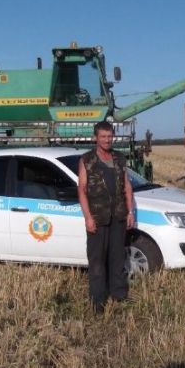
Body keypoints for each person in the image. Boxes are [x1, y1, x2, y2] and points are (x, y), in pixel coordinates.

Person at [78, 121, 135, 313]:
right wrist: (88, 217)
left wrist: (130, 211)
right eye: (103, 136)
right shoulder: (87, 160)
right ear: (96, 138)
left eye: (110, 136)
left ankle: (119, 296)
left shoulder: (119, 158)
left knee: (117, 258)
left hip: (118, 216)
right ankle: (98, 302)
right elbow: (82, 189)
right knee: (97, 261)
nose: (107, 140)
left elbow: (127, 185)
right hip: (98, 217)